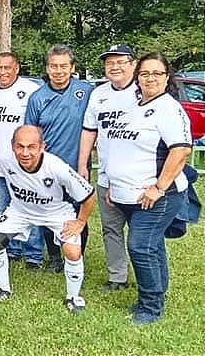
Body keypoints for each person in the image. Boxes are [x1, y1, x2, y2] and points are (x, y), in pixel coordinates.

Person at [0, 125, 95, 314]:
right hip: (20, 211)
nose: (25, 152)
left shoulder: (57, 167)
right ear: (13, 146)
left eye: (31, 147)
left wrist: (80, 222)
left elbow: (89, 195)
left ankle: (73, 297)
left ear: (42, 147)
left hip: (57, 212)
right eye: (20, 146)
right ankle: (3, 289)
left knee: (72, 252)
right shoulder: (7, 158)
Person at [105, 52, 191, 324]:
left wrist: (159, 187)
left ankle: (150, 308)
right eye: (144, 73)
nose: (150, 78)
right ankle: (157, 294)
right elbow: (117, 146)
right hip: (126, 195)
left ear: (167, 78)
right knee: (152, 246)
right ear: (137, 77)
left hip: (156, 196)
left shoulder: (169, 109)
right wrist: (111, 183)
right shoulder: (134, 105)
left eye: (157, 73)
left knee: (140, 246)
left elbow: (180, 150)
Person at [25, 44, 93, 272]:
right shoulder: (37, 98)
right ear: (47, 68)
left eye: (64, 66)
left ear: (72, 68)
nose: (59, 71)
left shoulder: (87, 92)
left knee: (78, 211)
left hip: (78, 165)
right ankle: (54, 257)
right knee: (48, 211)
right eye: (54, 66)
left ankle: (76, 255)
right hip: (48, 168)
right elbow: (30, 133)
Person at [78, 44, 139, 291]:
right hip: (106, 178)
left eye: (120, 61)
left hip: (139, 180)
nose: (114, 66)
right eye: (109, 62)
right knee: (111, 229)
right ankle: (117, 277)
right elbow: (89, 130)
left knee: (141, 234)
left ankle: (147, 276)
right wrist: (83, 164)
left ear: (133, 64)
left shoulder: (143, 91)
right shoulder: (99, 93)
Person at [0, 52, 42, 267]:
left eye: (8, 67)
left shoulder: (30, 90)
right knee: (4, 208)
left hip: (23, 162)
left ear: (17, 69)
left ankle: (33, 254)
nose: (3, 72)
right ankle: (12, 249)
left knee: (28, 207)